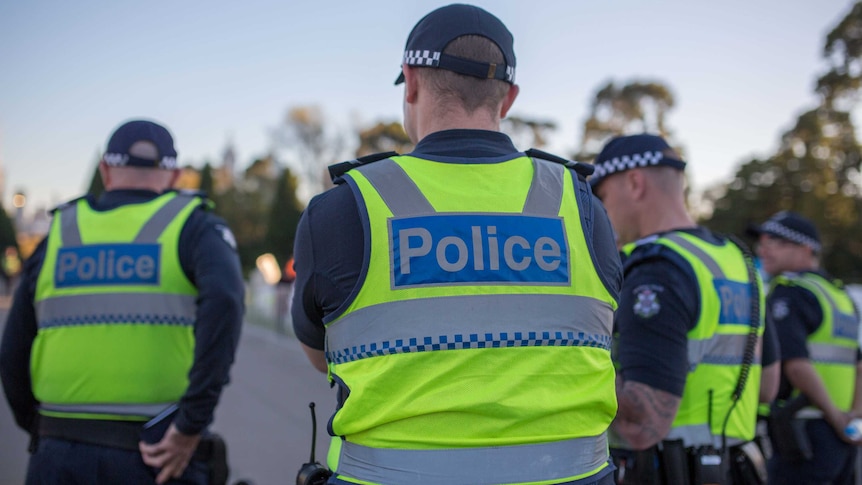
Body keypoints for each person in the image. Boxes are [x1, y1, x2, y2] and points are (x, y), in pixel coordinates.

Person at [291, 4, 622, 484]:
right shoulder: (581, 206)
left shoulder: (343, 209)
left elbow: (324, 353)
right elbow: (601, 334)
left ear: (412, 82)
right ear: (507, 99)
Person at [0, 119, 245, 485]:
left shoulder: (62, 233)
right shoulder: (193, 227)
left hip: (59, 450)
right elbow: (226, 304)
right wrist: (191, 423)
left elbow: (13, 347)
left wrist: (41, 427)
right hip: (158, 452)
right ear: (175, 175)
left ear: (105, 170)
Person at [589, 134, 780, 484]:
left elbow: (645, 424)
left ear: (634, 182)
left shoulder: (656, 267)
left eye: (602, 196)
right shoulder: (737, 262)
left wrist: (573, 366)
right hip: (737, 467)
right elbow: (767, 386)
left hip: (664, 471)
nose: (601, 210)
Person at [750, 211, 862, 485]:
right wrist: (854, 418)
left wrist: (836, 418)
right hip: (842, 435)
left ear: (805, 248)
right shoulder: (839, 294)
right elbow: (858, 365)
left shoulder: (791, 292)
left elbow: (796, 365)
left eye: (775, 241)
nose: (763, 249)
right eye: (762, 241)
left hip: (804, 434)